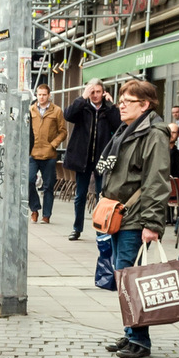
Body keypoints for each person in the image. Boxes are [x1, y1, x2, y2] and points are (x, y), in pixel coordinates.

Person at [99, 80, 171, 358]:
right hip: (120, 215)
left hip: (136, 217)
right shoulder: (126, 129)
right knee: (123, 277)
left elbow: (157, 180)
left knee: (130, 278)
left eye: (128, 100)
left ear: (145, 105)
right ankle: (131, 332)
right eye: (121, 99)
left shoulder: (154, 134)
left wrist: (152, 224)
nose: (121, 104)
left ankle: (140, 339)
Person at [64, 78, 118, 240]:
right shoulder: (82, 107)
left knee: (100, 196)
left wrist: (112, 106)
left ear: (104, 93)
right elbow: (68, 115)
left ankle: (99, 228)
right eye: (92, 92)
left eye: (98, 92)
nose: (95, 95)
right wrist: (82, 97)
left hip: (102, 159)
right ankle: (77, 228)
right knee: (80, 195)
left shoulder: (107, 110)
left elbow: (118, 125)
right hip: (83, 158)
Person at [28, 83, 66, 223]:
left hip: (49, 154)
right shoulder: (30, 110)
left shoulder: (56, 111)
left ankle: (46, 215)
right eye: (39, 94)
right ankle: (34, 208)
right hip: (33, 152)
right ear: (36, 95)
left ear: (49, 95)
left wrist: (54, 144)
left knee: (48, 185)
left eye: (44, 94)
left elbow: (63, 132)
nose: (42, 97)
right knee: (29, 181)